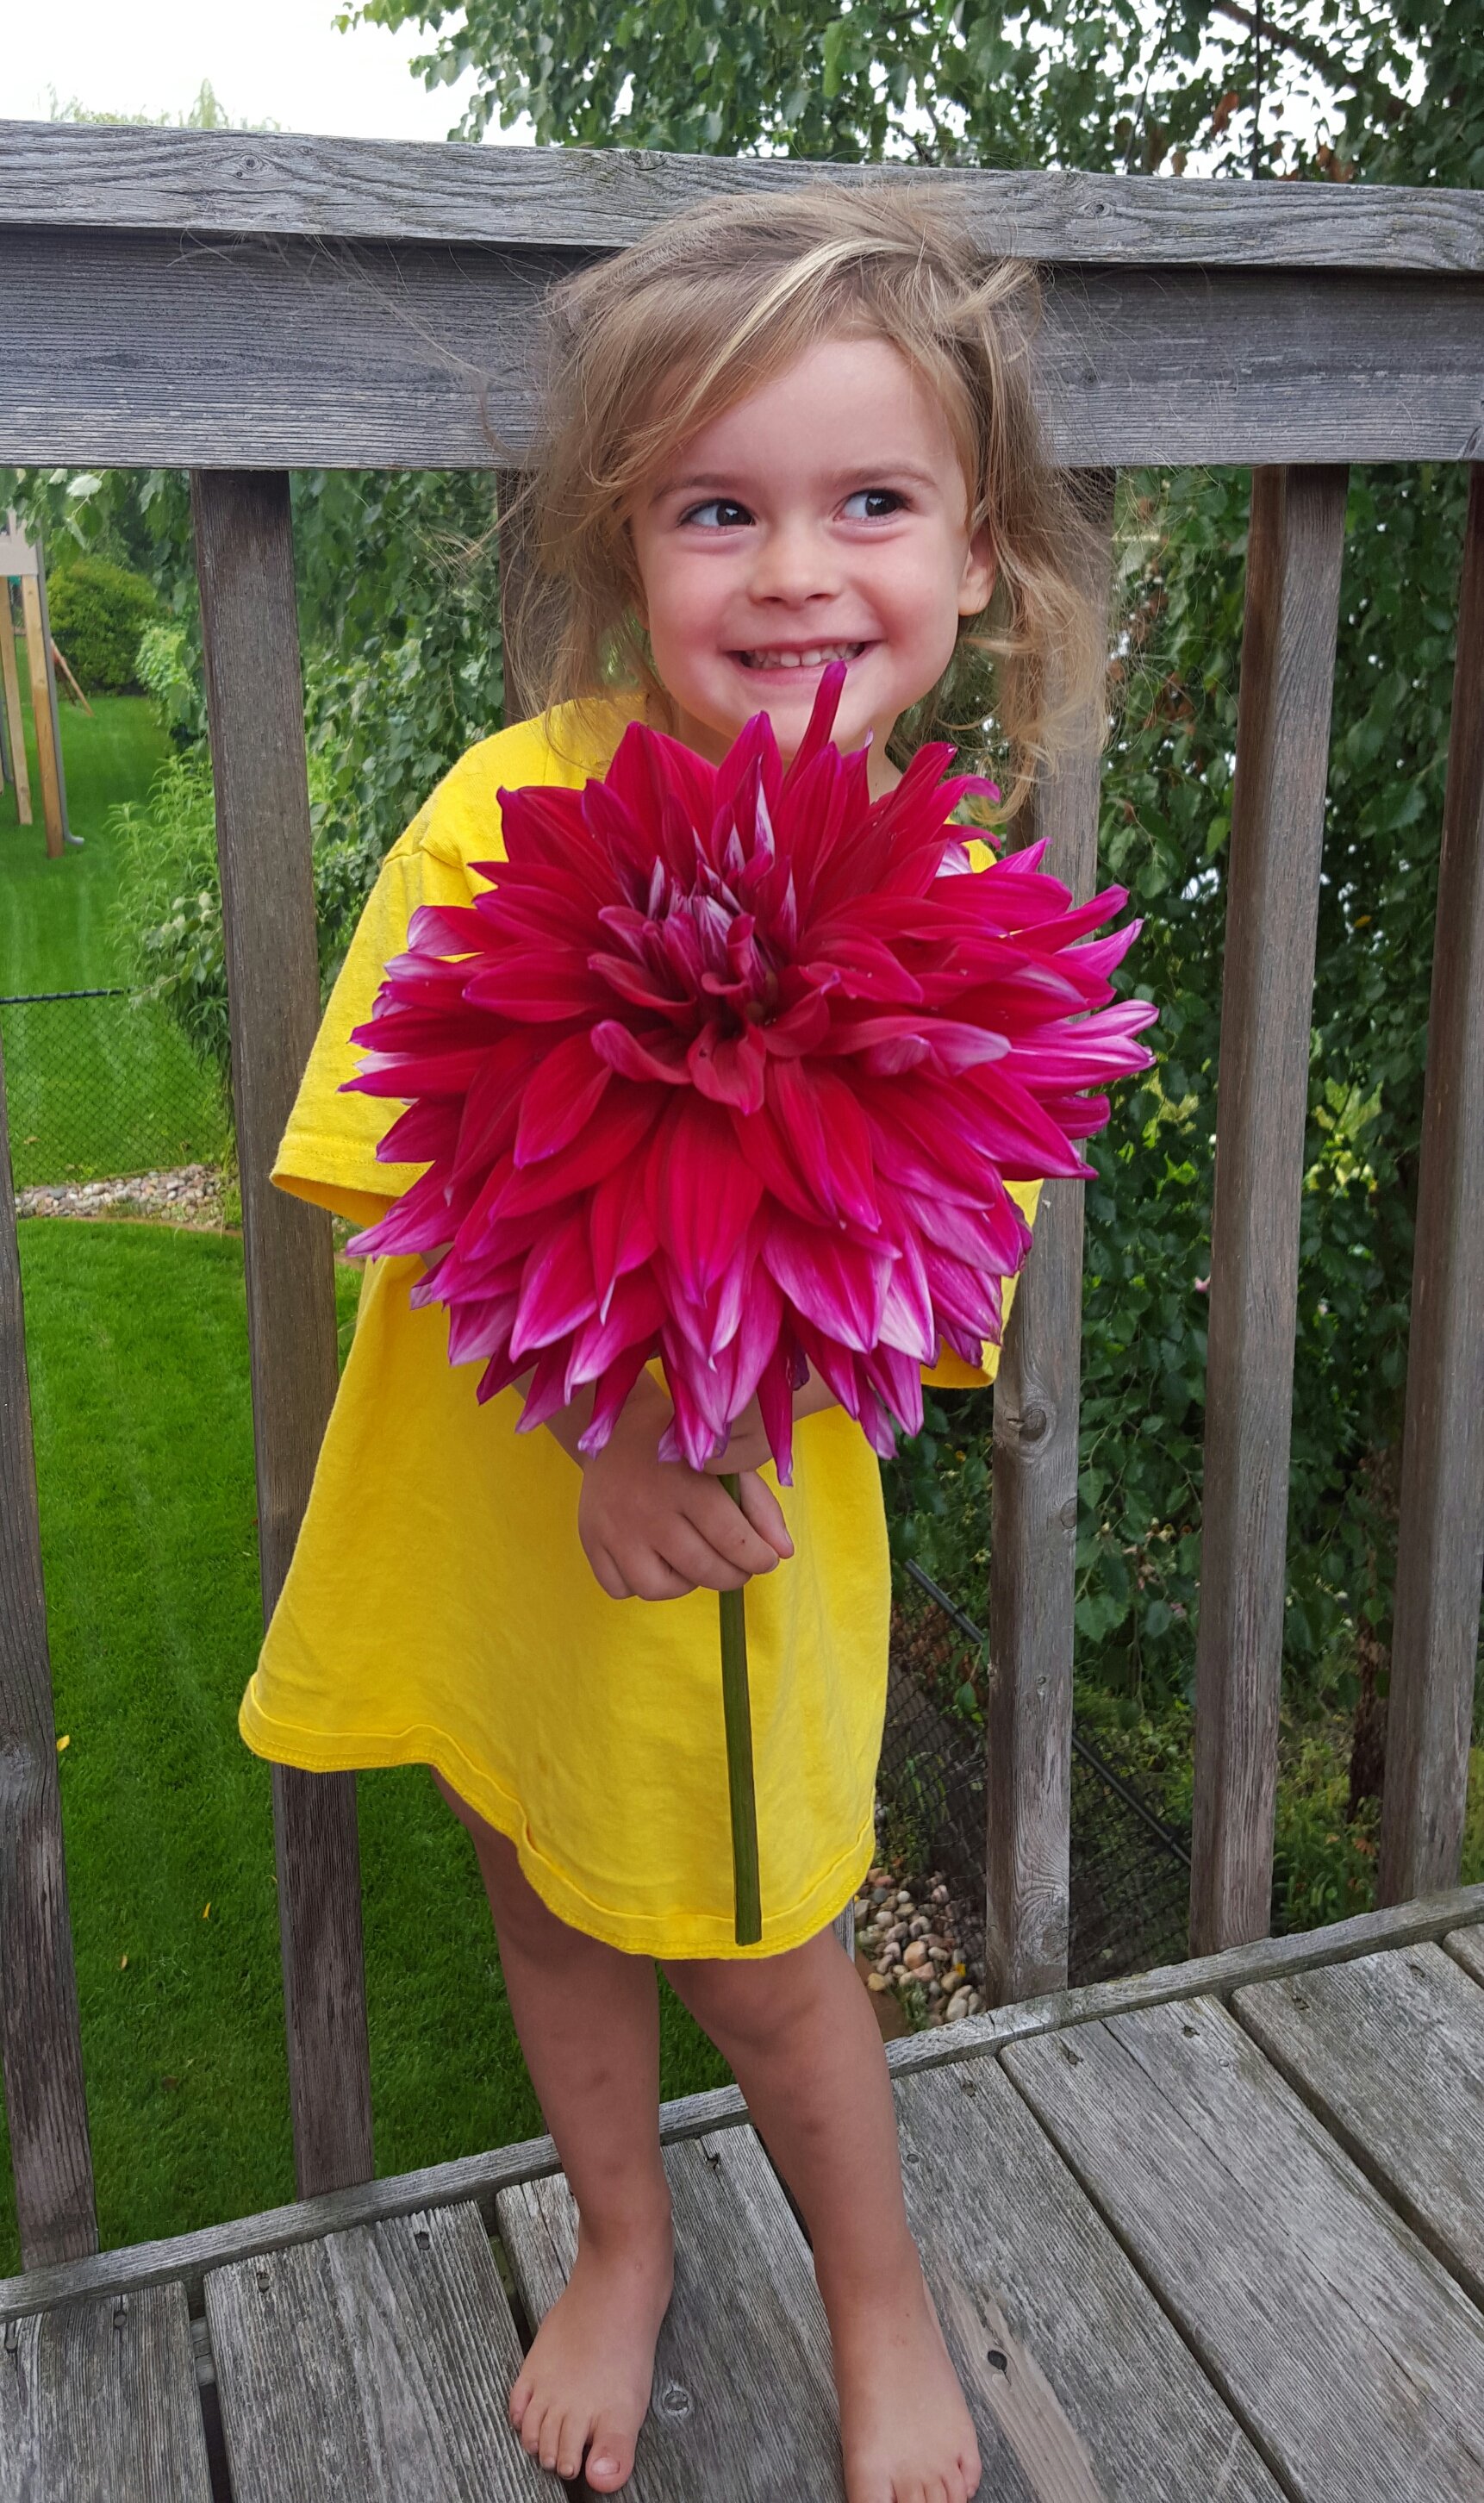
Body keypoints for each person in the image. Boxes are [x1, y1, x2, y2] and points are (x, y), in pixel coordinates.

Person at [240, 181, 1107, 2503]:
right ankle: (618, 2238)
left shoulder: (968, 927)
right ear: (626, 555)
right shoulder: (504, 818)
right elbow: (389, 1185)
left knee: (764, 1949)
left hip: (732, 1569)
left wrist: (696, 1416)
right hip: (505, 1524)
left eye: (870, 504)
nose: (795, 569)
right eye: (719, 510)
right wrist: (600, 1418)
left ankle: (872, 2286)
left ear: (979, 563)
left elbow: (907, 1309)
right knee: (537, 1894)